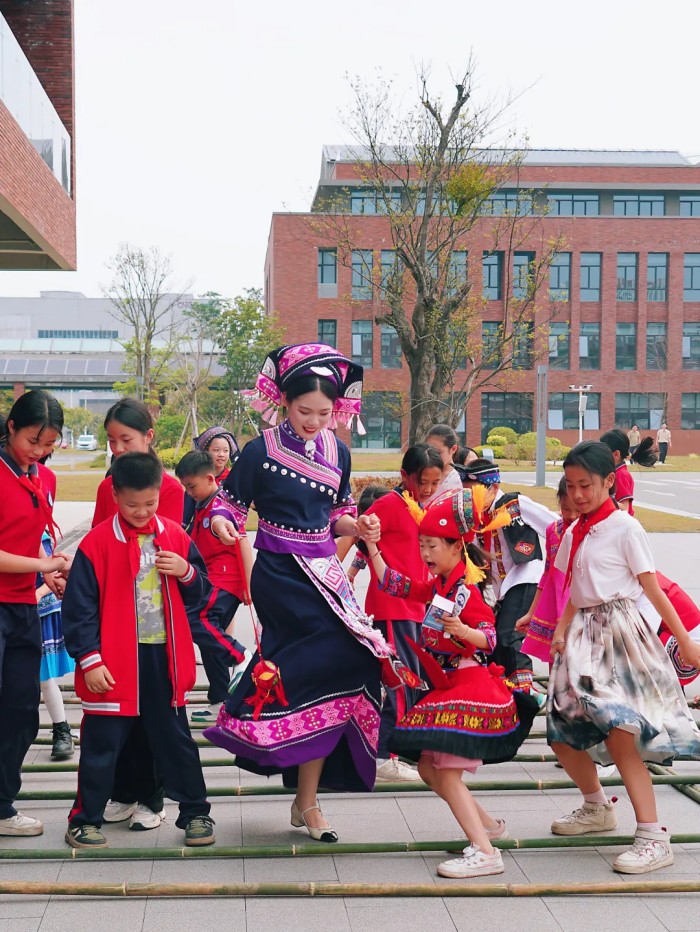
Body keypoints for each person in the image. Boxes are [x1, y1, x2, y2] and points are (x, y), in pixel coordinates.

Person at [204, 343, 395, 843]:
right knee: (315, 665)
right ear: (284, 403)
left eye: (324, 413)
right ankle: (264, 736)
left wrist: (360, 525)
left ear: (337, 410)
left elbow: (338, 515)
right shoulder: (261, 450)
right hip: (279, 575)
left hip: (326, 573)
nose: (313, 421)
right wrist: (224, 527)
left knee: (350, 662)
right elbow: (227, 505)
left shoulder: (340, 452)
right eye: (304, 411)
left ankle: (307, 798)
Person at [365, 487, 538, 878]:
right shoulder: (440, 585)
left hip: (470, 686)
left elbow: (490, 638)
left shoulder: (465, 591)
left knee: (444, 772)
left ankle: (486, 852)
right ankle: (488, 828)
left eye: (432, 546)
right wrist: (372, 547)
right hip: (448, 685)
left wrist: (462, 630)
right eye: (421, 545)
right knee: (429, 769)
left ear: (456, 547)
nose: (425, 553)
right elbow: (394, 584)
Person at [548, 441, 700, 874]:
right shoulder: (576, 531)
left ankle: (653, 836)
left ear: (609, 481)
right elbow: (576, 590)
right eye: (571, 486)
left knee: (620, 731)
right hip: (581, 638)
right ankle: (596, 806)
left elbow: (653, 588)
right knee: (562, 732)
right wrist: (560, 629)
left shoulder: (625, 528)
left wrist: (686, 642)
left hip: (619, 636)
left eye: (586, 485)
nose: (577, 494)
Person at [61, 452, 215, 849]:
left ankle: (196, 813)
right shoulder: (97, 543)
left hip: (164, 659)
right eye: (132, 505)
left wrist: (186, 571)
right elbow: (78, 610)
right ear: (115, 496)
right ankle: (83, 820)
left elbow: (202, 594)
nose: (142, 512)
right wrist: (89, 659)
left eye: (150, 503)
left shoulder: (175, 536)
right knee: (101, 744)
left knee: (176, 740)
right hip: (111, 663)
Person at [92, 397, 185, 831]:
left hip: (153, 618)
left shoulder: (170, 489)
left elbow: (166, 544)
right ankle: (123, 792)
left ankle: (153, 797)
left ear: (148, 437)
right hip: (115, 615)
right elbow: (98, 540)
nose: (117, 448)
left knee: (154, 716)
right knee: (118, 711)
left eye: (125, 439)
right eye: (111, 440)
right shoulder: (107, 486)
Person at [0, 390, 68, 836]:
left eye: (48, 444)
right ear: (10, 428)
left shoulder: (45, 478)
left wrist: (49, 572)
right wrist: (42, 566)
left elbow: (32, 542)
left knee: (22, 709)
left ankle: (2, 805)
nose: (39, 451)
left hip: (23, 604)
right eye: (32, 441)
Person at [362, 444, 445, 782]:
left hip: (417, 606)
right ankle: (384, 755)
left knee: (414, 679)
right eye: (422, 482)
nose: (428, 489)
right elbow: (359, 532)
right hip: (393, 606)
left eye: (435, 482)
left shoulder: (422, 506)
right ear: (404, 475)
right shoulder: (390, 504)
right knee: (399, 679)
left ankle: (400, 749)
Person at [459, 459, 557, 693]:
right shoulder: (474, 516)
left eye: (475, 492)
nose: (470, 498)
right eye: (467, 493)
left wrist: (556, 566)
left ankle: (526, 691)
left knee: (508, 635)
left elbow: (554, 525)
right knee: (494, 642)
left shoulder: (515, 504)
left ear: (494, 488)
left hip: (525, 576)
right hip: (501, 588)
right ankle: (506, 691)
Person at [175, 449, 253, 718]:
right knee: (210, 639)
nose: (189, 492)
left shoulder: (222, 507)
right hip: (210, 579)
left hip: (224, 579)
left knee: (194, 619)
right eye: (185, 487)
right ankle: (221, 700)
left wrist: (249, 586)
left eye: (192, 486)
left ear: (210, 479)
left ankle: (241, 657)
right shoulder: (201, 505)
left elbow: (241, 542)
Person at [515, 476, 579, 665]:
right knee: (557, 663)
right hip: (556, 604)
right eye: (566, 509)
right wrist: (531, 613)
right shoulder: (553, 530)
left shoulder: (592, 531)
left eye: (577, 510)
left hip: (579, 606)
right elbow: (547, 574)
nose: (572, 515)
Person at [37, 530, 75, 761]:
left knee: (43, 676)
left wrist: (37, 593)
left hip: (36, 611)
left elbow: (50, 572)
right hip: (11, 608)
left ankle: (61, 729)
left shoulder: (37, 534)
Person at [182, 426, 240, 533]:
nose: (221, 455)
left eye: (225, 451)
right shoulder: (197, 479)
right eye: (216, 450)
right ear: (206, 451)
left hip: (224, 532)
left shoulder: (233, 480)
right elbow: (186, 512)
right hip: (198, 531)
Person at [599, 428, 656, 515]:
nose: (600, 455)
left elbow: (624, 508)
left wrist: (601, 500)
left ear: (616, 454)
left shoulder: (621, 475)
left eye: (603, 452)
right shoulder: (614, 472)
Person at [425, 424, 463, 503]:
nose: (433, 455)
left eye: (438, 452)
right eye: (429, 451)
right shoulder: (421, 470)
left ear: (453, 449)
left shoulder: (456, 479)